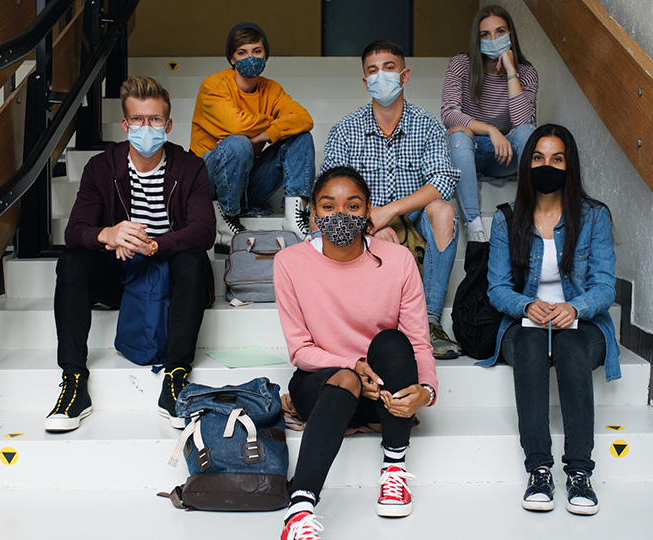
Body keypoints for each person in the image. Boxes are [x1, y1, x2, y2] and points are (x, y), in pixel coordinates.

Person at [274, 167, 438, 540]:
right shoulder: (290, 263)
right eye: (328, 206)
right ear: (313, 214)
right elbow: (300, 350)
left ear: (367, 212)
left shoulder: (397, 260)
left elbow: (418, 341)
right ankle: (299, 511)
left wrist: (425, 390)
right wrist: (352, 365)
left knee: (393, 342)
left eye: (353, 206)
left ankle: (394, 470)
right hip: (321, 389)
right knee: (346, 377)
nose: (340, 215)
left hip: (385, 395)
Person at [46, 76, 215, 432]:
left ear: (168, 125)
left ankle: (176, 377)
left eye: (155, 120)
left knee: (194, 259)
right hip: (121, 275)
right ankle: (74, 382)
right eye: (137, 120)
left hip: (171, 275)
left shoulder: (190, 167)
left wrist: (156, 245)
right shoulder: (100, 167)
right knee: (72, 260)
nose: (146, 127)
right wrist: (109, 233)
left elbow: (204, 231)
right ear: (125, 125)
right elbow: (74, 231)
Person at [483, 124, 619, 515]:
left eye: (557, 159)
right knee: (528, 342)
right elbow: (497, 287)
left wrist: (574, 308)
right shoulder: (507, 219)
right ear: (527, 166)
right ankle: (539, 469)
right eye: (539, 158)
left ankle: (579, 472)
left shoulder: (593, 217)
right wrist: (527, 306)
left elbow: (605, 285)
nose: (548, 166)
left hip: (583, 326)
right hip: (524, 326)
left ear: (569, 165)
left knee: (571, 344)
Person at [320, 40, 463, 359]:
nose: (380, 76)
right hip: (362, 216)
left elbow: (443, 180)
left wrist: (390, 212)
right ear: (364, 80)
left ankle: (430, 320)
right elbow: (329, 191)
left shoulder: (425, 124)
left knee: (443, 211)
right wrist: (368, 221)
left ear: (405, 75)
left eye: (388, 68)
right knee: (366, 230)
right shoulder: (346, 129)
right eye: (372, 70)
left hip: (411, 216)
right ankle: (388, 324)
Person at [191, 22, 315, 250]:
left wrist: (260, 137)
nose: (251, 58)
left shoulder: (272, 89)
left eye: (257, 51)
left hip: (247, 179)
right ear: (232, 58)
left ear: (266, 55)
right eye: (242, 53)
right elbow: (236, 124)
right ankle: (227, 218)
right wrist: (272, 124)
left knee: (301, 137)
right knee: (238, 143)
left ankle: (294, 216)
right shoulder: (213, 86)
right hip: (209, 180)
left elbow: (304, 118)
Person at [442, 4, 538, 243]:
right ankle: (475, 228)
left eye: (500, 32)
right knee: (458, 134)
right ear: (477, 38)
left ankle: (529, 214)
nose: (493, 39)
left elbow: (522, 122)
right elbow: (449, 113)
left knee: (530, 134)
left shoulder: (526, 73)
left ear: (510, 35)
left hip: (502, 155)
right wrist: (490, 129)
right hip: (468, 151)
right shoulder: (461, 65)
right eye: (485, 34)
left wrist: (511, 71)